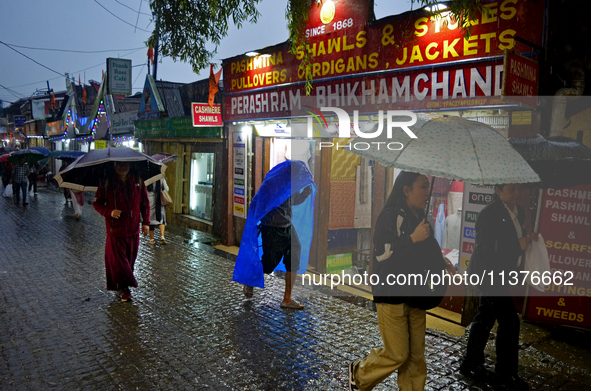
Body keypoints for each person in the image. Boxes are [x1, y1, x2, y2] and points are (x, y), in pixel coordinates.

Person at [349, 172, 455, 391]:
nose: (427, 193)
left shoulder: (419, 217)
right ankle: (359, 374)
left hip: (417, 294)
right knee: (398, 353)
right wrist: (411, 239)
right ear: (406, 190)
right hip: (392, 294)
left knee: (416, 355)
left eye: (428, 187)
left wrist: (442, 263)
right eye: (422, 187)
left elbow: (425, 251)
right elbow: (383, 255)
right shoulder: (390, 216)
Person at [459, 183, 537, 390]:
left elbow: (516, 238)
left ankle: (470, 362)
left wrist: (529, 239)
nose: (516, 193)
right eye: (511, 189)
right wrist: (516, 245)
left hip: (501, 274)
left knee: (485, 317)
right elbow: (485, 248)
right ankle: (505, 374)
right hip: (488, 273)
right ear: (498, 190)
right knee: (510, 322)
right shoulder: (489, 213)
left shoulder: (518, 212)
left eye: (518, 189)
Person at [233, 160, 316, 310]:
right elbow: (259, 202)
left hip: (288, 228)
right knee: (269, 263)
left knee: (294, 260)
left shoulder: (290, 185)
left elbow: (292, 201)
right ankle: (250, 281)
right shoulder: (272, 184)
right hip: (272, 229)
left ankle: (287, 298)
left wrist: (303, 194)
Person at [93, 161, 150, 302]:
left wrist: (146, 223)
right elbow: (97, 204)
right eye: (119, 165)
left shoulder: (137, 181)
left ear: (130, 166)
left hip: (133, 230)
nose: (123, 168)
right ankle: (126, 289)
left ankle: (122, 285)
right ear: (114, 166)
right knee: (120, 263)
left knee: (130, 262)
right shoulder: (107, 183)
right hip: (116, 230)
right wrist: (109, 212)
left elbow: (145, 203)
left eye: (126, 165)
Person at [146, 178, 169, 245]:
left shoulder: (147, 179)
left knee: (150, 220)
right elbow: (166, 189)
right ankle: (162, 236)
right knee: (161, 219)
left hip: (149, 201)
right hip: (159, 201)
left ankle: (152, 239)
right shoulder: (160, 178)